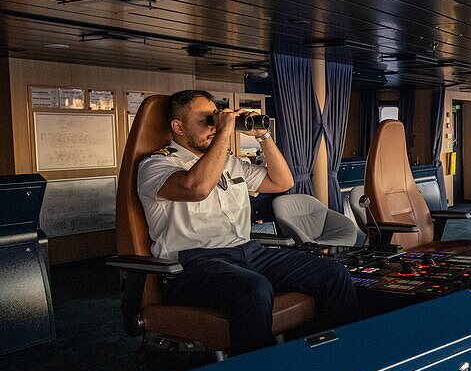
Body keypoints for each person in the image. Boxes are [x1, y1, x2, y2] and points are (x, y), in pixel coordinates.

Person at [136, 90, 358, 353]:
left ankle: (333, 357)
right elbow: (197, 188)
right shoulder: (156, 166)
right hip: (192, 264)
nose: (213, 125)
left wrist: (263, 137)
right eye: (206, 120)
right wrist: (222, 134)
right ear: (178, 127)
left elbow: (282, 182)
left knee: (333, 274)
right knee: (254, 290)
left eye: (215, 118)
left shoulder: (230, 163)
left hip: (247, 252)